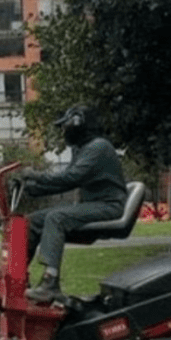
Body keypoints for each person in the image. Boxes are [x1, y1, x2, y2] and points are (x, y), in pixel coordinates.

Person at [21, 104, 127, 302]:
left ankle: (50, 283)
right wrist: (32, 190)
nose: (63, 131)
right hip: (93, 205)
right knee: (33, 221)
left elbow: (70, 177)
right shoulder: (84, 149)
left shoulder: (98, 147)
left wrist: (35, 175)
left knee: (56, 218)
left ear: (78, 124)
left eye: (65, 126)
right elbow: (67, 182)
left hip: (108, 206)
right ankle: (17, 277)